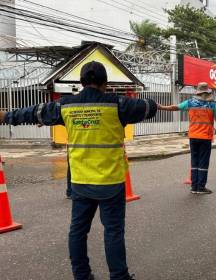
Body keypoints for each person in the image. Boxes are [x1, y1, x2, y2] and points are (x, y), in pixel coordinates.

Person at [0, 61, 157, 280]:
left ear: (81, 82)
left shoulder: (65, 106)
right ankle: (119, 276)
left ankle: (82, 276)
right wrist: (155, 104)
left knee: (78, 231)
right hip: (110, 183)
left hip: (81, 182)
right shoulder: (119, 104)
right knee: (113, 232)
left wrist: (6, 116)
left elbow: (34, 112)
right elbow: (147, 107)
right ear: (105, 83)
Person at [158, 82, 216, 194]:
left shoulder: (190, 103)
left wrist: (161, 107)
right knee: (203, 162)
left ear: (197, 92)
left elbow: (175, 107)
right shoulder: (212, 105)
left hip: (193, 136)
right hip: (205, 137)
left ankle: (194, 187)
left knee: (194, 161)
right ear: (207, 92)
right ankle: (201, 187)